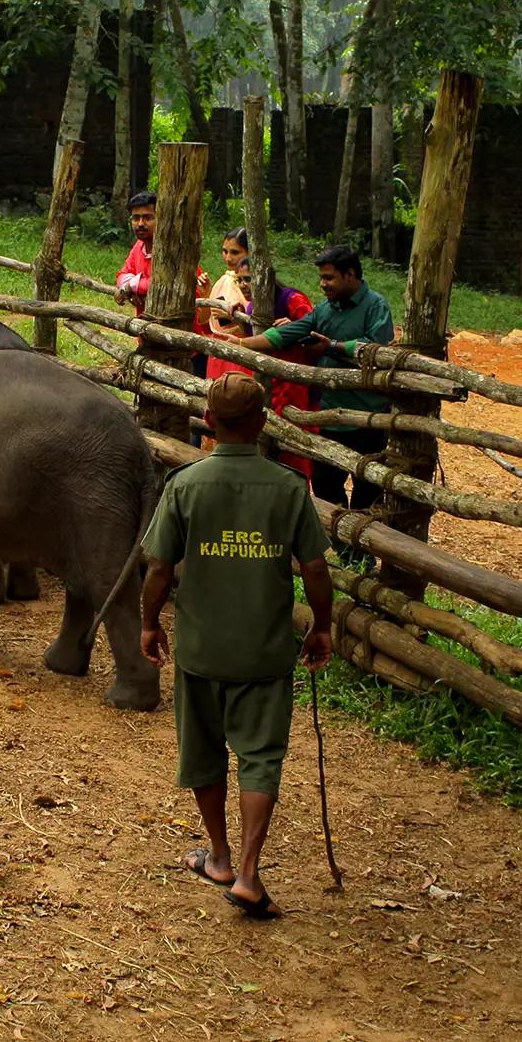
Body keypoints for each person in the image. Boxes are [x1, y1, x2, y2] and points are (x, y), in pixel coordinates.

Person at [140, 373, 335, 921]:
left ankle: (219, 857)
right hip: (264, 649)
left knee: (202, 753)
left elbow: (160, 566)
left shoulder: (185, 483)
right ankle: (249, 873)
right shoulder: (288, 487)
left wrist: (149, 624)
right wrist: (321, 626)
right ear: (262, 422)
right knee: (260, 758)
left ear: (209, 420)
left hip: (202, 647)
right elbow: (314, 567)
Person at [230, 245, 393, 551]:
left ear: (351, 275)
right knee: (325, 486)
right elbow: (287, 334)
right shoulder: (324, 310)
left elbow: (378, 347)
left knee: (366, 494)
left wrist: (334, 347)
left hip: (368, 419)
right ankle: (344, 549)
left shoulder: (376, 306)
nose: (323, 284)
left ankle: (362, 558)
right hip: (330, 415)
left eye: (329, 278)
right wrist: (241, 344)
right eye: (321, 277)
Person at [205, 258, 318, 472]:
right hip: (267, 382)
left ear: (265, 280)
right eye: (240, 281)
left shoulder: (292, 299)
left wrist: (295, 326)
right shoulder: (251, 307)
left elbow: (314, 330)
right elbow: (255, 338)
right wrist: (241, 319)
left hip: (295, 383)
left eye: (249, 279)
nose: (244, 285)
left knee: (294, 445)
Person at [114, 190, 212, 368]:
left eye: (147, 217)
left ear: (162, 218)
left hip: (185, 346)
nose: (140, 224)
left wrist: (133, 286)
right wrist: (130, 287)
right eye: (135, 218)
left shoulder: (176, 251)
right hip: (149, 339)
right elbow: (121, 275)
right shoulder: (139, 247)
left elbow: (162, 286)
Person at [206, 228, 252, 338]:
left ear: (250, 252)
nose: (228, 258)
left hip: (246, 348)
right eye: (225, 251)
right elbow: (204, 320)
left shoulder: (258, 285)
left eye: (235, 252)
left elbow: (261, 326)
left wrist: (233, 317)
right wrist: (206, 293)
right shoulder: (224, 280)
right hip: (218, 345)